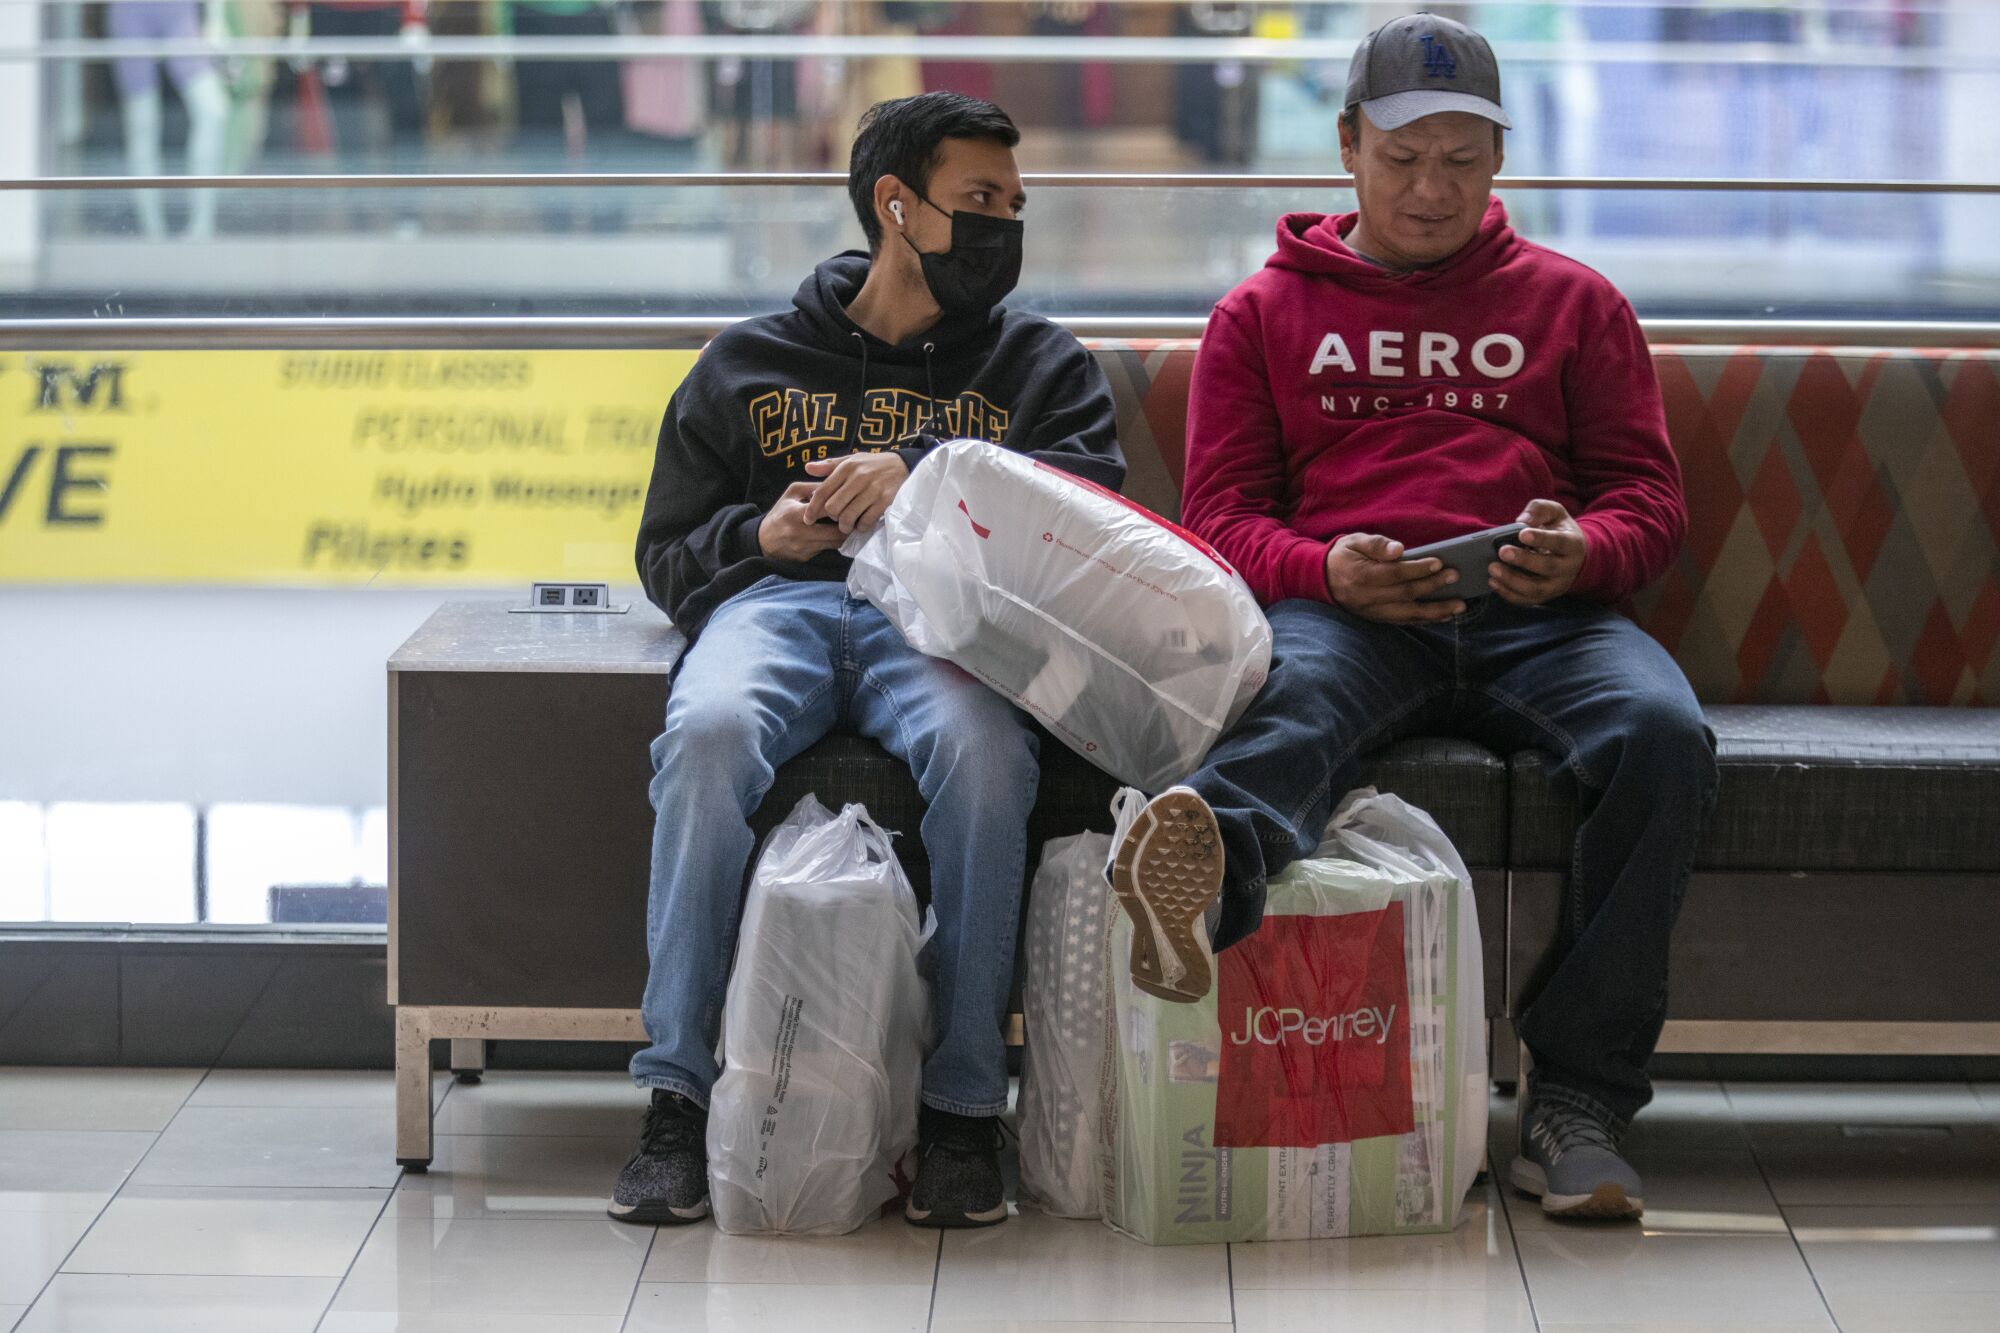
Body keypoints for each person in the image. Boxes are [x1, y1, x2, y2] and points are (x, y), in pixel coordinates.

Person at [1107, 13, 1716, 1222]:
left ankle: (1578, 1104)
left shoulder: (1575, 303)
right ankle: (1191, 883)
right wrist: (1326, 571)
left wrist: (1580, 550)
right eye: (1403, 159)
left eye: (1460, 160)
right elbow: (1219, 522)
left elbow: (1647, 500)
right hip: (1355, 614)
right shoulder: (1259, 317)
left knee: (1662, 735)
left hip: (1540, 616)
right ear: (1344, 147)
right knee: (1280, 712)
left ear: (1498, 164)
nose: (1432, 189)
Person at [614, 92, 1124, 1229]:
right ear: (897, 205)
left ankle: (957, 1111)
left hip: (943, 626)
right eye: (976, 202)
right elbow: (663, 550)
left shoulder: (1040, 367)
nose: (1002, 226)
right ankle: (674, 1104)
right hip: (781, 608)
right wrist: (762, 535)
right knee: (703, 736)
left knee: (989, 762)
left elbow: (1097, 516)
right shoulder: (746, 361)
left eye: (1013, 205)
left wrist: (927, 470)